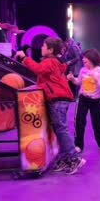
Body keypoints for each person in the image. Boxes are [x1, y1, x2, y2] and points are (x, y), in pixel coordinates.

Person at [15, 37, 85, 175]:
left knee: (61, 129)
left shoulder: (50, 61)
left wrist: (24, 58)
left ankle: (74, 158)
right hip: (59, 99)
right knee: (59, 130)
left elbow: (38, 69)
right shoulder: (55, 62)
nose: (41, 48)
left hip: (57, 99)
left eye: (44, 46)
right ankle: (65, 158)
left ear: (51, 50)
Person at [68, 49, 100, 152]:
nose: (83, 61)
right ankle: (78, 145)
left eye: (85, 59)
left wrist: (96, 78)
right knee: (79, 121)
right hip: (83, 99)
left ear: (92, 59)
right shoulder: (83, 70)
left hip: (95, 100)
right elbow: (79, 82)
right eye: (83, 59)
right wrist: (73, 79)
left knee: (97, 122)